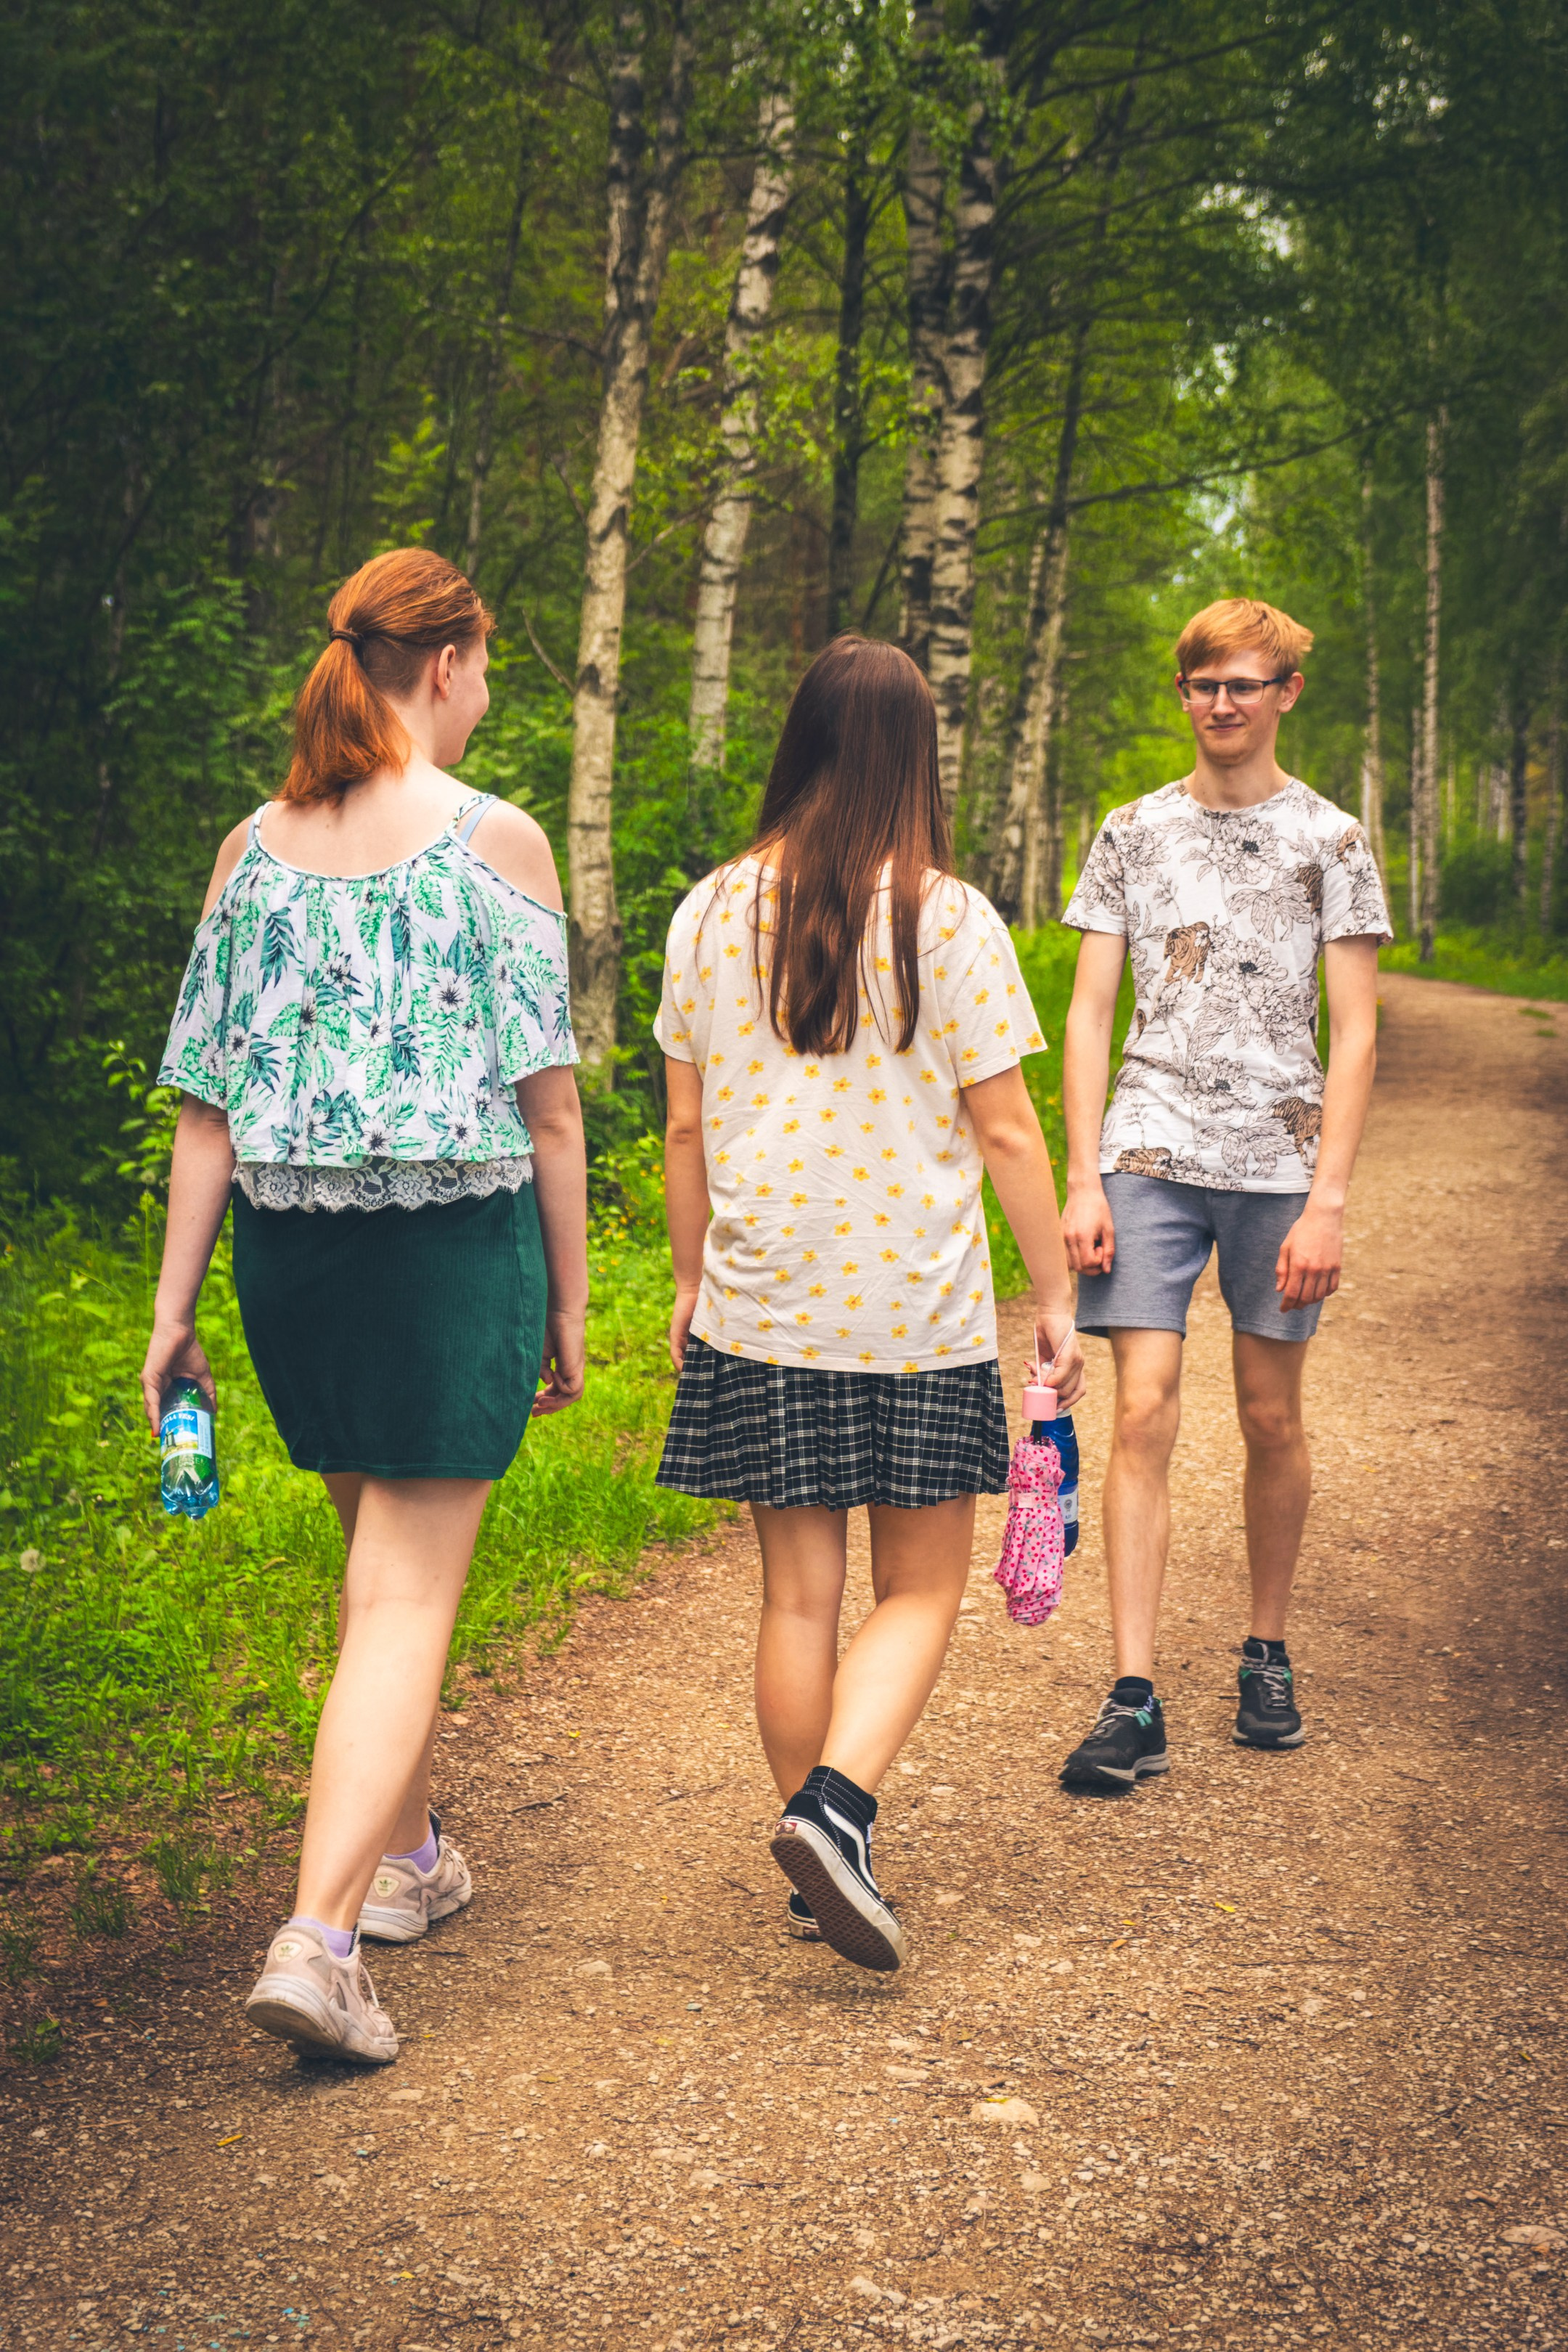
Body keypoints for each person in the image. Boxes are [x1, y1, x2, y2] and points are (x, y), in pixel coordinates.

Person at [142, 548, 587, 2062]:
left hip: (290, 1259)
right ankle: (320, 1941)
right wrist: (570, 1306)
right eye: (485, 672)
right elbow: (552, 1119)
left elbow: (204, 1112)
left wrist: (170, 1312)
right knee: (405, 1598)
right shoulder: (495, 841)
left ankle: (404, 1860)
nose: (482, 699)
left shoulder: (248, 849)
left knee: (368, 1570)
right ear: (447, 663)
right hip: (452, 1249)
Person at [655, 636, 1086, 1972]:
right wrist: (1058, 1295)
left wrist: (685, 1280)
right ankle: (835, 1816)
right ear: (915, 759)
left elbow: (682, 1131)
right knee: (918, 1591)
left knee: (798, 1596)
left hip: (762, 1301)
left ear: (800, 742)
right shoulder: (949, 919)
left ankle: (815, 1839)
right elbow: (1009, 1135)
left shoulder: (709, 911)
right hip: (911, 1317)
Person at [1056, 596, 1389, 1789]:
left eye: (1246, 683)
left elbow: (1352, 1035)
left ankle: (1267, 1649)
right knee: (1141, 1406)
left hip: (1278, 1162)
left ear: (1287, 691)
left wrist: (1330, 1198)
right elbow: (1090, 1012)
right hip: (1148, 1151)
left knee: (1268, 1414)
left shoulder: (1332, 841)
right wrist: (1082, 1175)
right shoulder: (1132, 832)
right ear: (1185, 693)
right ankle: (1134, 1693)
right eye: (1204, 683)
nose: (1223, 703)